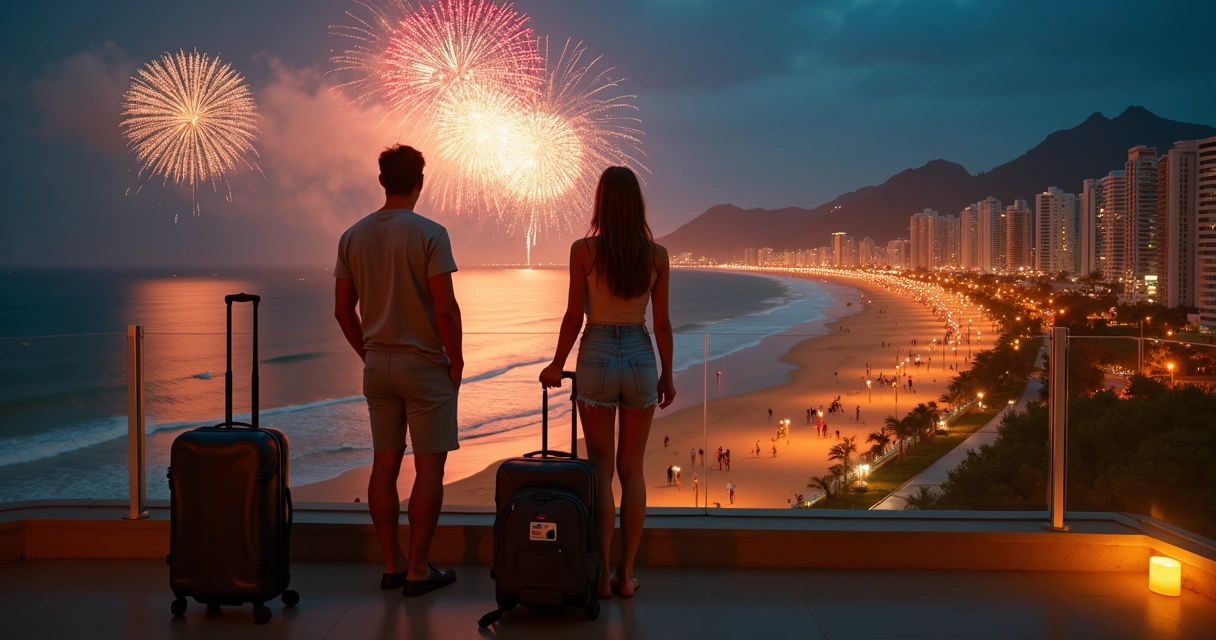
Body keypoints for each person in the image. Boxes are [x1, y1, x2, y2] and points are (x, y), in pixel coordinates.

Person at [539, 166, 674, 600]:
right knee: (631, 471)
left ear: (600, 203)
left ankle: (598, 578)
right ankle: (626, 575)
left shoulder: (583, 250)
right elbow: (663, 322)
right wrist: (668, 374)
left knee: (599, 470)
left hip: (595, 355)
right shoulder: (656, 255)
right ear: (637, 205)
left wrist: (557, 365)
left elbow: (573, 317)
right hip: (639, 356)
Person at [333, 144, 460, 595]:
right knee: (429, 470)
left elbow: (343, 311)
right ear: (419, 183)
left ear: (382, 180)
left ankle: (392, 563)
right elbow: (445, 309)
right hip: (424, 364)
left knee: (383, 464)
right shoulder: (430, 233)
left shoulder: (353, 235)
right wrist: (457, 360)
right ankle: (419, 569)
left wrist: (368, 353)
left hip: (378, 365)